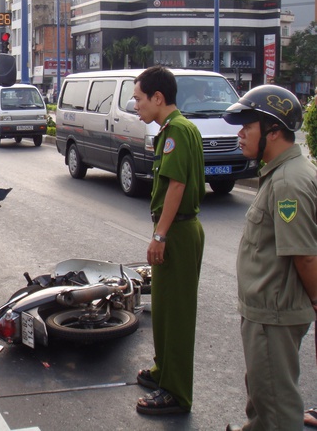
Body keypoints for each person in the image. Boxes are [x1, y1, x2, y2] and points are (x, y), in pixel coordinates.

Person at [222, 85, 317, 431]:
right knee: (264, 399)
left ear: (274, 132)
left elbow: (304, 256)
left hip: (273, 315)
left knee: (277, 408)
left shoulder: (288, 183)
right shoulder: (280, 174)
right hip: (267, 312)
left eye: (248, 126)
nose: (240, 133)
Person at [131, 65, 205, 415]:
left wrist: (160, 234)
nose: (136, 106)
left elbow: (176, 187)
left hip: (176, 230)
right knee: (161, 307)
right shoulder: (174, 129)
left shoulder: (176, 131)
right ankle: (165, 371)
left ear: (158, 98)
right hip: (173, 228)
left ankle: (176, 393)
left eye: (138, 99)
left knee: (175, 313)